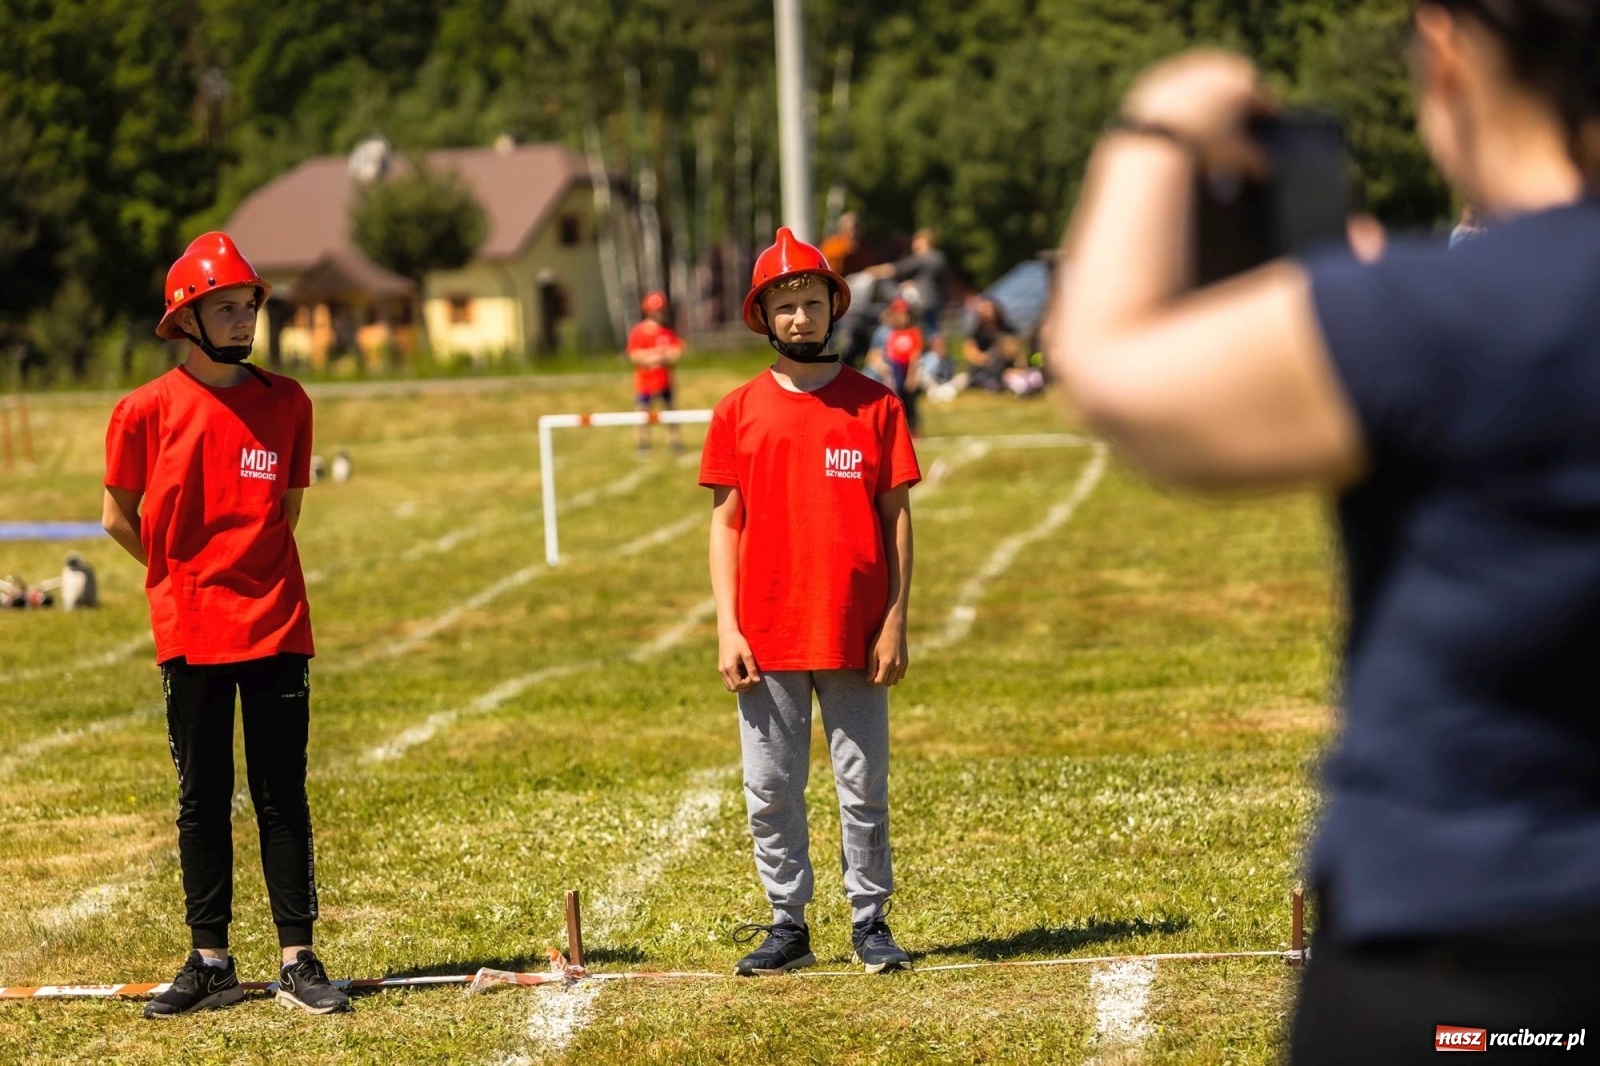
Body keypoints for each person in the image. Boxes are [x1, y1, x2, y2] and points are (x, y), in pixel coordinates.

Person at [1047, 4, 1600, 1061]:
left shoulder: (1438, 311)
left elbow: (1113, 375)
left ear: (1448, 52)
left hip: (1460, 950)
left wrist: (1158, 126)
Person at [101, 232, 348, 1018]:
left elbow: (288, 513)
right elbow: (116, 517)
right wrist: (176, 574)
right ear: (186, 318)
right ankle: (210, 961)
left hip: (276, 624)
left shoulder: (289, 402)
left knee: (282, 794)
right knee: (201, 797)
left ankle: (299, 959)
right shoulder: (142, 411)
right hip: (191, 629)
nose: (243, 321)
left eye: (249, 306)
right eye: (225, 307)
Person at [700, 226, 921, 977]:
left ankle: (870, 920)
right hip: (766, 635)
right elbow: (726, 523)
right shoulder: (738, 411)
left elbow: (897, 517)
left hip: (856, 633)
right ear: (764, 317)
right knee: (771, 788)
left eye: (811, 301)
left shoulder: (877, 407)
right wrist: (728, 626)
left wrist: (893, 619)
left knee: (863, 786)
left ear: (835, 306)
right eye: (784, 305)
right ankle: (786, 922)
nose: (800, 317)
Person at [626, 291, 685, 453]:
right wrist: (656, 355)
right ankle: (642, 443)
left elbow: (676, 352)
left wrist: (657, 357)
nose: (656, 314)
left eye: (659, 310)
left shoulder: (666, 332)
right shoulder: (638, 331)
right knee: (642, 412)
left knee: (670, 411)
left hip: (664, 380)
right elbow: (635, 355)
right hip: (645, 382)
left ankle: (675, 441)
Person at [868, 228, 949, 342]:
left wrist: (875, 271)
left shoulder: (923, 257)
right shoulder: (940, 258)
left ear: (925, 241)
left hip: (922, 302)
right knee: (934, 331)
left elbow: (898, 268)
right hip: (936, 301)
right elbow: (930, 278)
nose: (914, 244)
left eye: (917, 241)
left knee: (927, 333)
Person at [866, 298, 924, 434]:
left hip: (906, 370)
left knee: (909, 400)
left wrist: (912, 375)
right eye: (899, 314)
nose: (902, 318)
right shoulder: (884, 332)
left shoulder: (913, 332)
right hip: (887, 371)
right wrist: (885, 371)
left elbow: (915, 355)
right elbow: (873, 356)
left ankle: (912, 427)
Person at [820, 211, 862, 275]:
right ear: (842, 228)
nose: (854, 232)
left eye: (856, 228)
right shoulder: (832, 244)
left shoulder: (862, 245)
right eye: (851, 229)